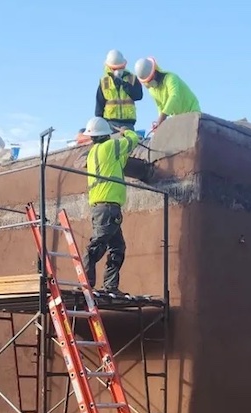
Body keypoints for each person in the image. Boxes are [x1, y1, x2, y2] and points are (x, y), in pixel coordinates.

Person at [79, 117, 140, 294]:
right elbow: (133, 139)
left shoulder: (93, 153)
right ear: (106, 134)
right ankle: (86, 282)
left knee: (117, 247)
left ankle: (110, 286)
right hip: (108, 206)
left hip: (101, 206)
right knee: (98, 245)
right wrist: (124, 131)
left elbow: (116, 164)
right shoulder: (110, 146)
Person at [133, 57, 200, 130]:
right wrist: (160, 123)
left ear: (155, 72)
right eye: (147, 81)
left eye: (151, 78)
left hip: (191, 112)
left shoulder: (171, 78)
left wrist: (162, 117)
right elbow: (160, 107)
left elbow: (174, 97)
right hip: (177, 118)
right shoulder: (152, 90)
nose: (149, 83)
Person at [95, 49, 143, 131]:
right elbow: (99, 105)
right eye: (115, 68)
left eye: (121, 67)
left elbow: (138, 96)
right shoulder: (104, 81)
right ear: (109, 67)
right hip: (110, 124)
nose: (118, 70)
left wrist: (123, 84)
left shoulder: (131, 78)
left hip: (128, 123)